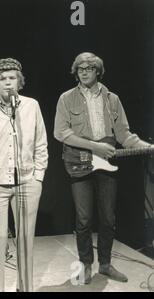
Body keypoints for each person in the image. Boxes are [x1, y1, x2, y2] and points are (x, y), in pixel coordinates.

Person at [54, 52, 153, 284]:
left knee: (108, 218)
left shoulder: (112, 99)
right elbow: (61, 132)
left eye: (89, 68)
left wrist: (146, 146)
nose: (84, 72)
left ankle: (106, 264)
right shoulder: (66, 98)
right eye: (80, 69)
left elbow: (124, 134)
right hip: (79, 162)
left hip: (107, 163)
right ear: (75, 72)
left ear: (98, 71)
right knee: (84, 219)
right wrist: (95, 147)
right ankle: (86, 266)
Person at [0, 58, 48, 292]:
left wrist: (38, 177)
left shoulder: (32, 106)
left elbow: (41, 145)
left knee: (25, 241)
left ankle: (25, 288)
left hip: (27, 183)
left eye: (12, 78)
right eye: (2, 79)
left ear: (20, 81)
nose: (8, 83)